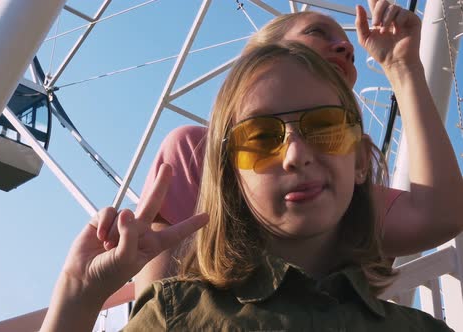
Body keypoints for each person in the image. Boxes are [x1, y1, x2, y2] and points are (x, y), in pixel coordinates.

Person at [40, 42, 454, 331]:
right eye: (259, 137)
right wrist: (79, 293)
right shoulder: (177, 316)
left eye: (325, 127)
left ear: (362, 161)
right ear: (229, 179)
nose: (295, 155)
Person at [134, 0, 463, 297]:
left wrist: (402, 67)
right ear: (264, 52)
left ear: (362, 159)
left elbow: (438, 215)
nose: (347, 48)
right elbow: (158, 297)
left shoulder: (345, 182)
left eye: (323, 127)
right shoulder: (194, 149)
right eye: (318, 32)